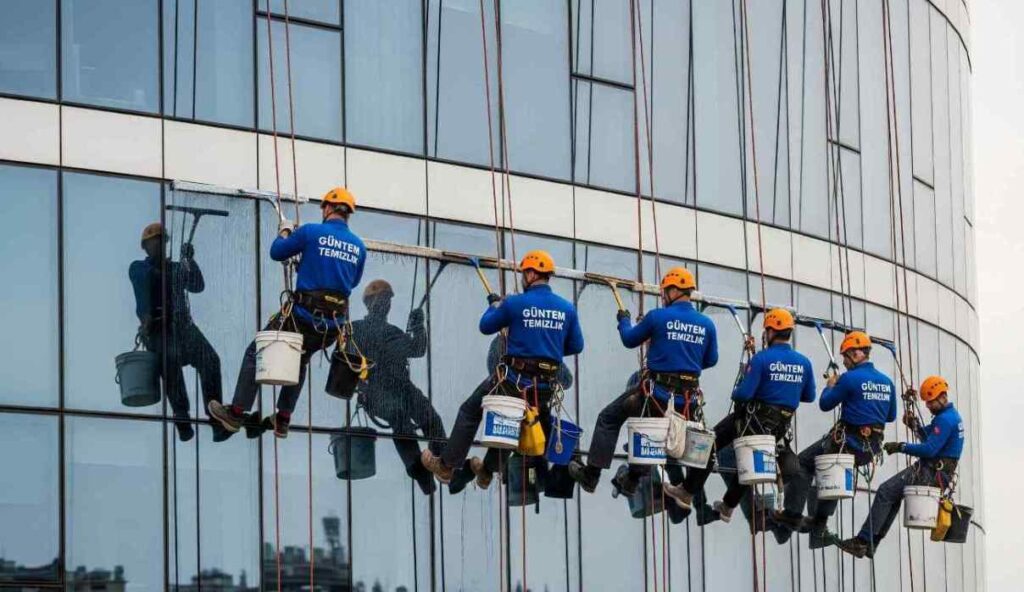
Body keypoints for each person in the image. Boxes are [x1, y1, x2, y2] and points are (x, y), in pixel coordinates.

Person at [210, 187, 366, 438]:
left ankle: (236, 413)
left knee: (256, 351)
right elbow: (351, 282)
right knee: (300, 359)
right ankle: (283, 418)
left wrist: (285, 230)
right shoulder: (359, 246)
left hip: (304, 316)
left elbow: (276, 252)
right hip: (332, 326)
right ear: (348, 214)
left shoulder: (311, 232)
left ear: (327, 208)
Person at [421, 250, 584, 487]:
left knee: (470, 411)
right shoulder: (567, 308)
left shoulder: (515, 303)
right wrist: (546, 345)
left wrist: (495, 306)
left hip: (514, 380)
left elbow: (486, 326)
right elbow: (576, 345)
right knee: (512, 423)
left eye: (523, 274)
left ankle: (446, 466)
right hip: (544, 387)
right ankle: (487, 471)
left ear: (530, 273)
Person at [568, 267, 718, 498]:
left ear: (675, 290)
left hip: (655, 395)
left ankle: (591, 475)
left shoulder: (657, 316)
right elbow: (710, 359)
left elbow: (629, 339)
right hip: (684, 402)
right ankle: (632, 479)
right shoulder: (706, 324)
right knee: (649, 431)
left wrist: (624, 321)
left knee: (609, 418)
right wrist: (683, 361)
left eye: (665, 292)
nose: (663, 297)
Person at [662, 309, 815, 524]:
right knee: (749, 463)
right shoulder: (804, 363)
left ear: (770, 331)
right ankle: (727, 507)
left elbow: (742, 394)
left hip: (750, 421)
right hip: (777, 428)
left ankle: (687, 492)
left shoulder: (762, 359)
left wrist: (748, 377)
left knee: (709, 446)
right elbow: (809, 396)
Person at [771, 330, 898, 547]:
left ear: (856, 354)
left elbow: (825, 404)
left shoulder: (849, 379)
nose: (845, 363)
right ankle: (818, 527)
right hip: (868, 449)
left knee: (803, 463)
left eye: (846, 357)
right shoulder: (887, 382)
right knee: (833, 475)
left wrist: (831, 386)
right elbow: (891, 416)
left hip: (844, 442)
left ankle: (792, 514)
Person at [836, 376, 964, 558]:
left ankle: (863, 541)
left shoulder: (945, 420)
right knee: (892, 496)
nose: (928, 406)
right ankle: (871, 542)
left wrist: (900, 447)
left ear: (941, 397)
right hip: (938, 472)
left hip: (931, 472)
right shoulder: (950, 417)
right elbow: (930, 438)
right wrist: (914, 425)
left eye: (930, 402)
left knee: (885, 491)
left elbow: (929, 449)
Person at [130, 223, 225, 442]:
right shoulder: (138, 268)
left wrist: (189, 261)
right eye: (154, 242)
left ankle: (216, 418)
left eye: (162, 241)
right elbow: (148, 279)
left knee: (210, 360)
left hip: (183, 326)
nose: (159, 245)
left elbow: (197, 285)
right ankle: (182, 417)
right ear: (145, 247)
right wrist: (176, 266)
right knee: (170, 360)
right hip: (158, 329)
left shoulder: (174, 268)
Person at [350, 279, 446, 495]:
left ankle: (446, 464)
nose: (386, 304)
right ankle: (421, 474)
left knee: (430, 417)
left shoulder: (391, 331)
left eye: (387, 300)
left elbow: (417, 349)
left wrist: (418, 328)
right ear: (370, 303)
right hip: (376, 389)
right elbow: (348, 357)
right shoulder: (357, 329)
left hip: (401, 386)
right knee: (399, 418)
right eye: (382, 299)